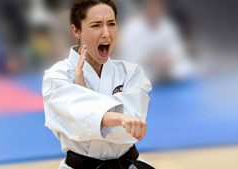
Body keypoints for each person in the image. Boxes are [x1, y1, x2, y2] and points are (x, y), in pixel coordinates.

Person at [42, 0, 154, 168]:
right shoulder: (57, 76)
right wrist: (120, 118)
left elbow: (130, 131)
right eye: (96, 25)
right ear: (76, 31)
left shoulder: (131, 72)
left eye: (111, 24)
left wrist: (84, 94)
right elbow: (77, 127)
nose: (106, 33)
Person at [117, 0, 193, 83]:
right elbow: (130, 55)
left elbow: (177, 47)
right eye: (152, 8)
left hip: (166, 66)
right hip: (144, 68)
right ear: (145, 9)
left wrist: (168, 58)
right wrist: (153, 60)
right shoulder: (132, 28)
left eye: (158, 8)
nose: (154, 11)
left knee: (186, 68)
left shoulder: (167, 25)